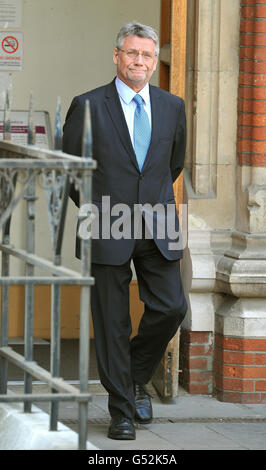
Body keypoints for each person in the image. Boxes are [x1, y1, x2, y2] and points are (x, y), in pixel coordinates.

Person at [63, 21, 187, 440]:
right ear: (117, 56)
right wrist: (99, 210)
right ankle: (122, 412)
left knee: (172, 306)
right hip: (106, 223)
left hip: (158, 224)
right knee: (112, 321)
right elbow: (72, 172)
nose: (139, 61)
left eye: (147, 55)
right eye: (132, 53)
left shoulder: (172, 106)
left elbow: (173, 165)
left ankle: (134, 376)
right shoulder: (88, 105)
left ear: (155, 61)